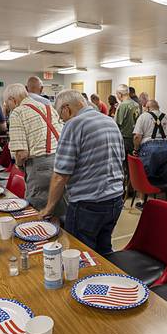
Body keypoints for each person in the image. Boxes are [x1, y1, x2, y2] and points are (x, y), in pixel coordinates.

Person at [40, 90, 124, 255]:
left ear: (66, 108)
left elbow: (60, 175)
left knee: (80, 254)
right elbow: (120, 159)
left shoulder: (74, 124)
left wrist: (48, 208)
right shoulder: (109, 121)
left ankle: (87, 280)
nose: (62, 120)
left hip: (88, 203)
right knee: (104, 252)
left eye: (60, 115)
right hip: (115, 200)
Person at [3, 83, 65, 215]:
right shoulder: (48, 107)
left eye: (7, 103)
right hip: (62, 162)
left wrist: (19, 166)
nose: (8, 107)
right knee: (59, 210)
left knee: (39, 212)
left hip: (40, 167)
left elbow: (22, 153)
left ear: (12, 100)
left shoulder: (17, 113)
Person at [132, 99, 167, 207]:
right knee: (164, 178)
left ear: (147, 107)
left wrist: (136, 149)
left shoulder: (143, 117)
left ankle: (142, 202)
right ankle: (161, 204)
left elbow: (137, 136)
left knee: (145, 176)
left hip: (149, 148)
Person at [115, 84, 141, 156]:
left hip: (124, 139)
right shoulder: (136, 104)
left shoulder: (123, 105)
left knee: (124, 164)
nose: (117, 97)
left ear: (120, 94)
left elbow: (117, 124)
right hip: (134, 138)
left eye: (117, 94)